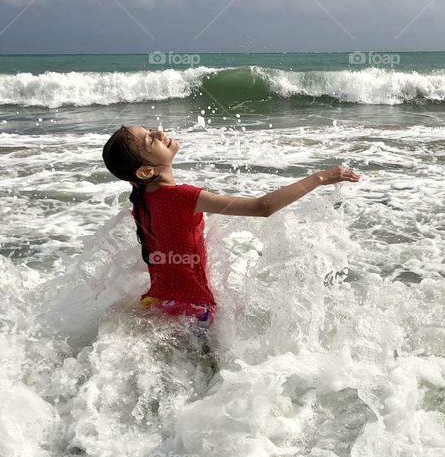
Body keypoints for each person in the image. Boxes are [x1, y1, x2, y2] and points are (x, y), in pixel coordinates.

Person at [101, 125, 359, 361]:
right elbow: (263, 207)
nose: (157, 132)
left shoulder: (142, 198)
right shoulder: (183, 197)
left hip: (156, 303)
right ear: (146, 171)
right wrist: (320, 178)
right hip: (193, 310)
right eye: (149, 140)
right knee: (208, 378)